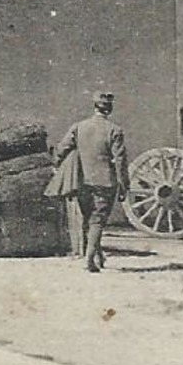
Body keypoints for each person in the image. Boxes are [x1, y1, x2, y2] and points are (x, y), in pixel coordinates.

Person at [53, 91, 130, 273]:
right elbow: (120, 160)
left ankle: (98, 255)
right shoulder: (114, 130)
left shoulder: (79, 127)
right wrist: (124, 184)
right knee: (98, 220)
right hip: (105, 182)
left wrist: (56, 164)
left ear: (94, 107)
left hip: (82, 181)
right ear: (109, 109)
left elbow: (62, 149)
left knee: (89, 219)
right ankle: (89, 259)